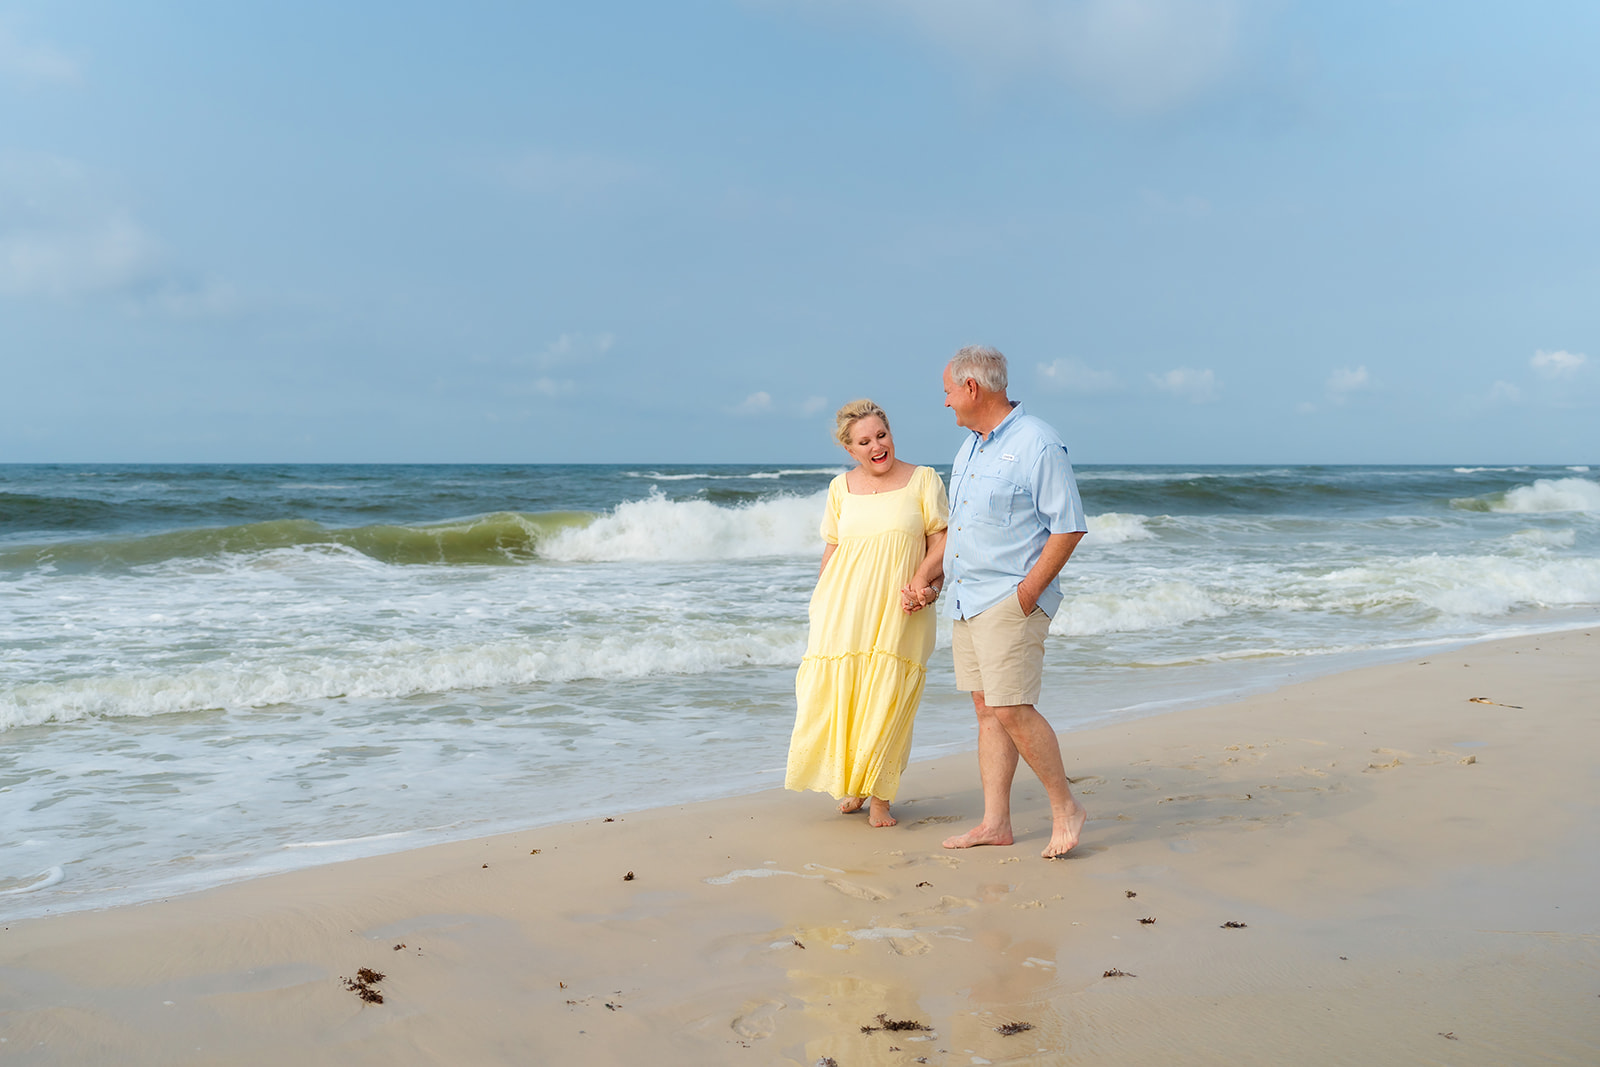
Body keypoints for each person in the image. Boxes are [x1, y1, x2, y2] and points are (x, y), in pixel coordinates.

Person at [936, 345, 1090, 858]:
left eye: (948, 391)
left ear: (972, 388)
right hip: (967, 600)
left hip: (1009, 599)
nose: (946, 402)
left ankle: (1066, 808)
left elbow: (1068, 526)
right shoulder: (969, 449)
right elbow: (962, 529)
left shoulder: (1037, 443)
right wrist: (932, 579)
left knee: (1011, 707)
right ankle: (995, 823)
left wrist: (1027, 594)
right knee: (988, 711)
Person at [786, 399, 949, 827]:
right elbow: (834, 548)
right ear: (850, 449)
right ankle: (855, 786)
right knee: (849, 695)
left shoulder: (923, 480)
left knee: (888, 695)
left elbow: (942, 541)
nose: (877, 446)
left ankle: (880, 797)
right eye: (864, 442)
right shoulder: (840, 488)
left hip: (901, 607)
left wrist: (928, 586)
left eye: (881, 435)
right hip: (843, 608)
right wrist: (820, 602)